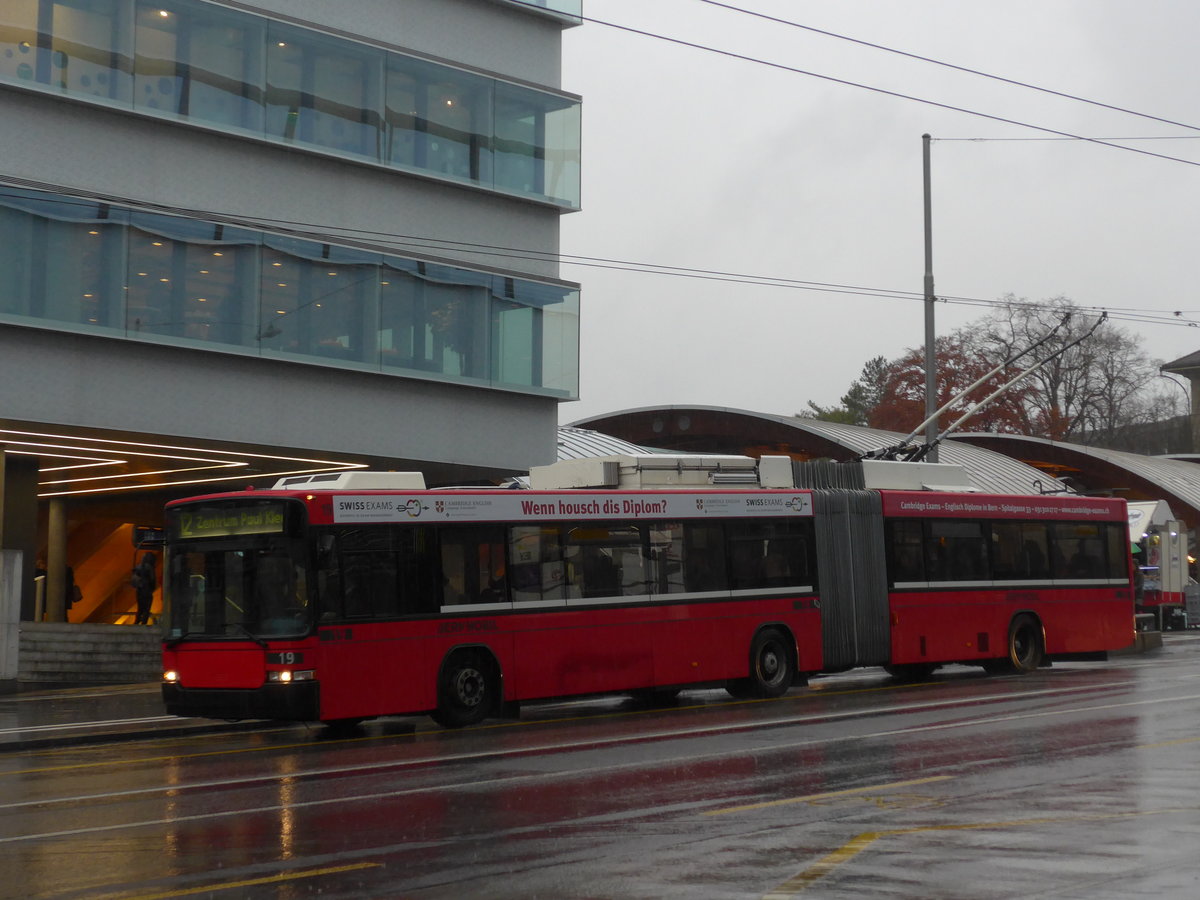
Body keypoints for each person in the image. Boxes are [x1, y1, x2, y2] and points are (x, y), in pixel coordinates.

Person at [131, 553, 156, 625]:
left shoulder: (138, 567)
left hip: (139, 591)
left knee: (140, 608)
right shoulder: (150, 568)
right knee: (146, 609)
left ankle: (137, 621)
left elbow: (134, 580)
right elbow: (152, 579)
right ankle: (143, 622)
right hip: (147, 591)